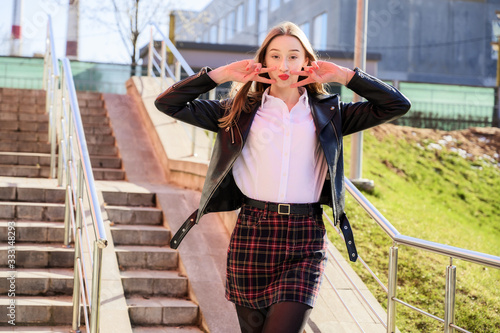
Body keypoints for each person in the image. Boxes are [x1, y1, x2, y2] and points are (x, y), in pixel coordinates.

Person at [155, 21, 410, 333]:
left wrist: (345, 76)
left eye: (293, 56)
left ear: (306, 61)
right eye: (274, 56)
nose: (284, 65)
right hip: (252, 233)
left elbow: (397, 105)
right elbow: (167, 103)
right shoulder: (236, 112)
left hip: (306, 239)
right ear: (263, 62)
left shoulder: (332, 114)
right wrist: (221, 75)